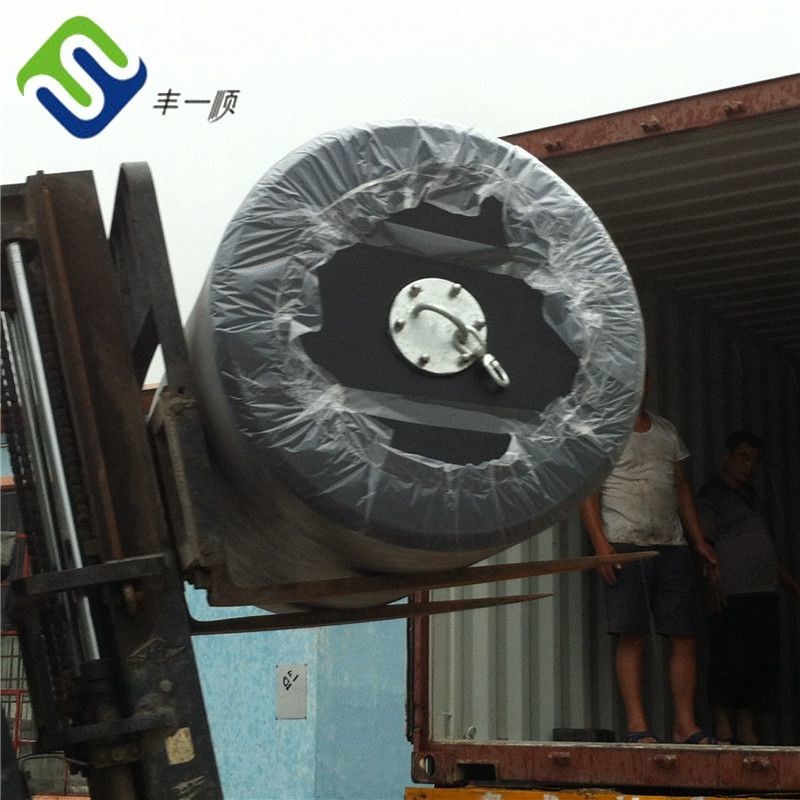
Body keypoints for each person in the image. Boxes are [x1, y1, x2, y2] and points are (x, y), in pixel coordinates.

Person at [579, 372, 717, 744]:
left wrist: (698, 540)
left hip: (672, 544)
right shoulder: (605, 430)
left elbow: (681, 488)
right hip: (625, 544)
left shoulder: (666, 431)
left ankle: (684, 725)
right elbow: (588, 491)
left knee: (684, 636)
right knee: (633, 635)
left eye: (643, 380)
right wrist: (601, 545)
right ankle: (638, 726)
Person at [697, 431, 800, 745]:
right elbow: (704, 544)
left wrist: (790, 583)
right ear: (727, 457)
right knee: (729, 657)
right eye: (742, 457)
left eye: (754, 461)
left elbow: (767, 547)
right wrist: (712, 582)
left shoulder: (752, 495)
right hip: (733, 590)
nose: (748, 466)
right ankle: (723, 727)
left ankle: (747, 727)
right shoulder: (712, 494)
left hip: (763, 590)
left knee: (758, 660)